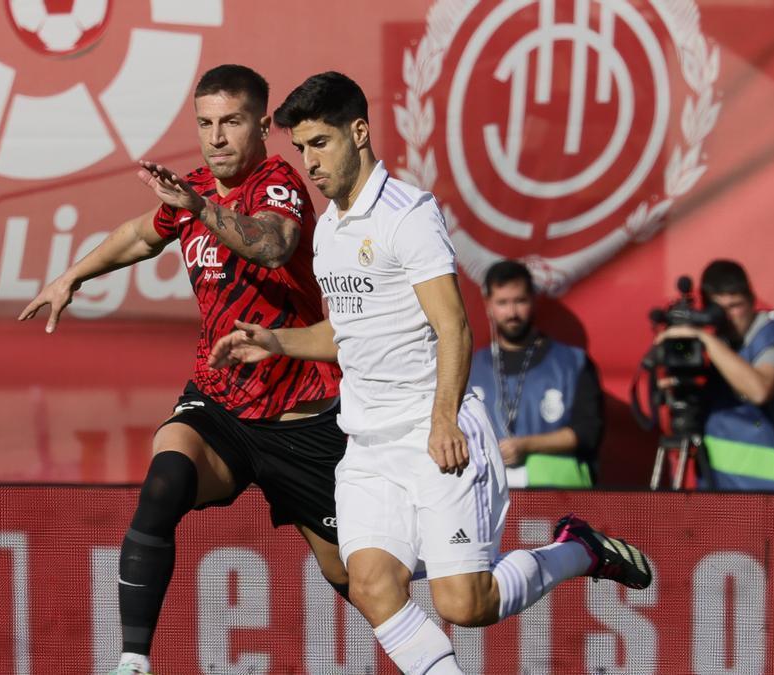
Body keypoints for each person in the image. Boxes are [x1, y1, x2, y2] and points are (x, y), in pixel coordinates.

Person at [210, 71, 651, 674]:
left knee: (464, 605)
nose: (309, 162)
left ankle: (577, 550)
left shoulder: (407, 214)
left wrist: (445, 420)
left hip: (431, 432)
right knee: (368, 584)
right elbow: (346, 332)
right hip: (367, 447)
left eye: (320, 143)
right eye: (301, 149)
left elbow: (455, 327)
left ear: (359, 132)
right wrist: (276, 341)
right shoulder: (330, 232)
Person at [19, 64, 347, 675]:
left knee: (357, 578)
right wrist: (71, 276)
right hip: (219, 403)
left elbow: (270, 244)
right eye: (205, 123)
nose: (216, 137)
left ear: (262, 125)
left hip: (296, 416)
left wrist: (197, 204)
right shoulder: (191, 190)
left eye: (231, 122)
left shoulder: (280, 183)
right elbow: (140, 237)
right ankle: (132, 662)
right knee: (164, 481)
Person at [468, 260, 603, 488]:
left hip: (555, 499)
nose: (512, 312)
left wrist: (526, 445)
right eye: (502, 302)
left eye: (520, 301)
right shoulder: (471, 368)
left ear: (533, 299)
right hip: (488, 498)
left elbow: (588, 433)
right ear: (488, 305)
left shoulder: (572, 363)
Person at [656, 259, 774, 491]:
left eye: (735, 306)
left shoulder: (771, 334)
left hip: (768, 496)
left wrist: (706, 339)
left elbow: (760, 390)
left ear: (752, 300)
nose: (729, 317)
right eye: (719, 310)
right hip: (719, 493)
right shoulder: (717, 343)